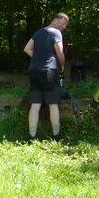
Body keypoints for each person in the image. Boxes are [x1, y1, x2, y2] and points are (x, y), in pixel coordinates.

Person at [22, 13, 69, 141]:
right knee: (53, 104)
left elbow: (27, 49)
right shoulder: (56, 33)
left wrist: (37, 58)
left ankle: (32, 137)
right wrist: (62, 65)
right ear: (56, 20)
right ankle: (57, 137)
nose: (64, 27)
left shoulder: (39, 32)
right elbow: (59, 52)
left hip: (34, 70)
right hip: (49, 70)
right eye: (64, 23)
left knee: (35, 104)